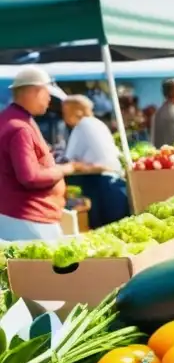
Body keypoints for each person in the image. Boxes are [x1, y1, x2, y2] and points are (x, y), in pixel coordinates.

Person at [0, 67, 86, 241]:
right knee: (41, 268)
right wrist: (65, 169)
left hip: (18, 214)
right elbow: (30, 177)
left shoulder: (11, 119)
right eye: (47, 93)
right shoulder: (19, 127)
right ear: (34, 91)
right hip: (28, 218)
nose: (49, 99)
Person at [62, 94, 130, 229]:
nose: (63, 117)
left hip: (101, 184)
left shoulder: (82, 126)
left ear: (77, 112)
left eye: (65, 113)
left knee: (103, 230)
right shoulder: (98, 123)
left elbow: (69, 159)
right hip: (116, 182)